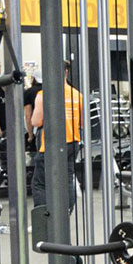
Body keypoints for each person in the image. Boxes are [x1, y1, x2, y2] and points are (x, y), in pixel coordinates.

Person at [30, 61, 82, 213]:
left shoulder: (44, 95)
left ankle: (43, 217)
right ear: (66, 72)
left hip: (51, 144)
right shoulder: (77, 95)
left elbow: (35, 121)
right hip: (72, 142)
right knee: (67, 179)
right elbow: (82, 122)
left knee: (40, 183)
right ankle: (66, 212)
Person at [22, 64, 41, 152]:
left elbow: (28, 116)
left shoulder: (29, 93)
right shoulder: (51, 90)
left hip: (37, 129)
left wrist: (30, 135)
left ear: (33, 78)